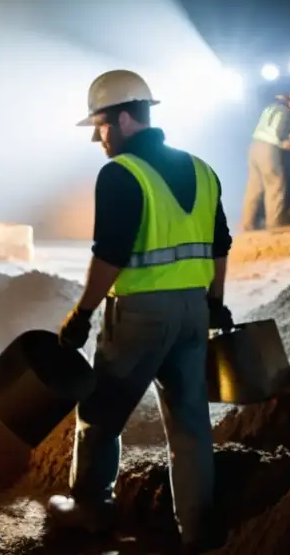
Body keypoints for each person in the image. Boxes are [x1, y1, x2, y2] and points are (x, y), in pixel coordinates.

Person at [47, 70, 234, 554]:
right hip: (194, 312)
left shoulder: (121, 174)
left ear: (126, 119)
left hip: (139, 316)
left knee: (100, 413)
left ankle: (90, 510)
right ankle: (196, 530)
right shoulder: (202, 169)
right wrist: (215, 302)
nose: (96, 137)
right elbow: (220, 245)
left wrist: (83, 313)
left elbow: (110, 253)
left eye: (101, 125)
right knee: (191, 425)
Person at [240, 91, 290, 231]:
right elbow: (280, 134)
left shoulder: (272, 107)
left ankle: (246, 225)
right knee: (275, 185)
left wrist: (286, 142)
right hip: (268, 150)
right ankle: (274, 225)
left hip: (254, 147)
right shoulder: (287, 112)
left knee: (254, 188)